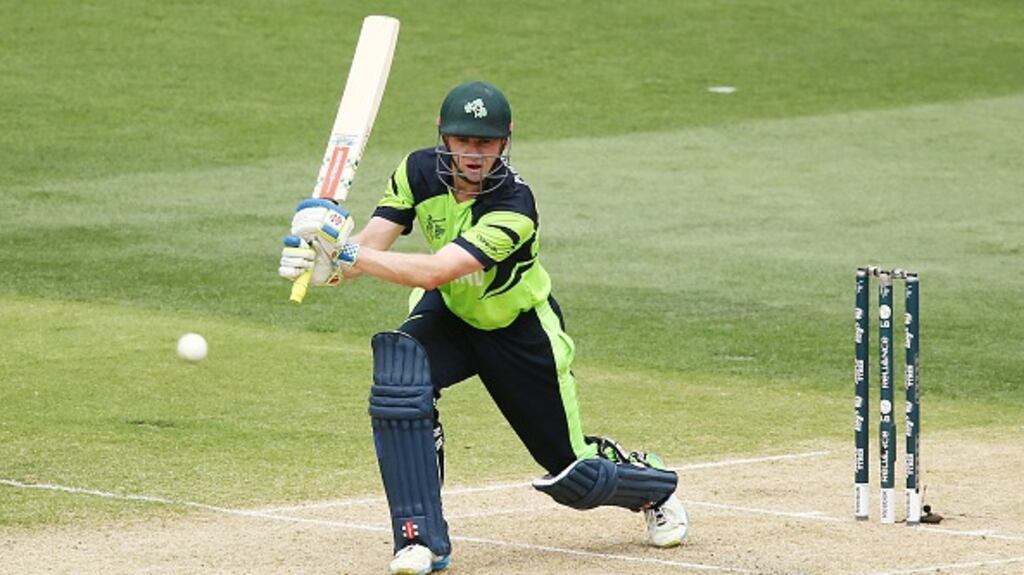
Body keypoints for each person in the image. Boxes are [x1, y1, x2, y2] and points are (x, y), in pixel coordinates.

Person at [278, 81, 689, 575]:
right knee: (399, 378)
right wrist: (324, 262)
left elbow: (434, 269)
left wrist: (346, 253)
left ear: (505, 140)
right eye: (464, 141)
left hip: (518, 332)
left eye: (486, 142)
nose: (474, 153)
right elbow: (374, 244)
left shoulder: (515, 207)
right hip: (450, 315)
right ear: (443, 136)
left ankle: (653, 487)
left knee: (573, 476)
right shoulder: (416, 171)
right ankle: (420, 540)